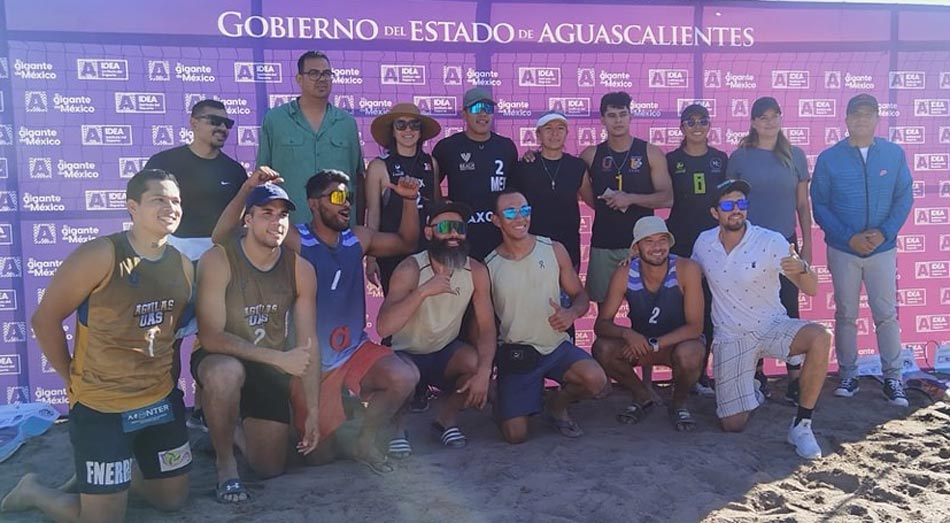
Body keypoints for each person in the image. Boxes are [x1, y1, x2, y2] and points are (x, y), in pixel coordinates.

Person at [2, 170, 193, 521]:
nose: (171, 207)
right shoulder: (101, 254)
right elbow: (44, 320)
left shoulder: (182, 265)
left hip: (159, 400)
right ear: (132, 207)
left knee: (172, 501)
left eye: (176, 201)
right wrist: (70, 379)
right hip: (102, 406)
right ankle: (33, 490)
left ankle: (109, 478)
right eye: (159, 200)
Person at [194, 182, 319, 503]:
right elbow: (210, 336)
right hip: (219, 355)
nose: (276, 222)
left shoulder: (300, 268)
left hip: (269, 366)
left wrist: (313, 410)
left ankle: (223, 428)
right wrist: (278, 359)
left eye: (282, 216)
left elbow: (309, 343)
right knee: (225, 374)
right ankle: (226, 466)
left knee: (269, 467)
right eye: (266, 214)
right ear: (247, 220)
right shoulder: (219, 259)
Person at [692, 180, 830, 459]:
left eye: (741, 204)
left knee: (821, 336)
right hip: (731, 337)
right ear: (714, 212)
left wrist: (803, 269)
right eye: (728, 205)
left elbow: (812, 289)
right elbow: (687, 274)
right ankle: (752, 388)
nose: (736, 211)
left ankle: (802, 425)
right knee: (732, 425)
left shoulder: (771, 240)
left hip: (772, 327)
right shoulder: (704, 242)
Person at [146, 98, 249, 431]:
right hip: (172, 259)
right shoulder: (164, 163)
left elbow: (239, 225)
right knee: (169, 340)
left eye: (227, 123)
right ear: (193, 122)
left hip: (218, 261)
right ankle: (168, 409)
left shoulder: (235, 171)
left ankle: (207, 413)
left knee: (215, 339)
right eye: (213, 120)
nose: (221, 127)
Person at [811, 93, 914, 407]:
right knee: (846, 315)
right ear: (846, 119)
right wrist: (849, 237)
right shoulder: (829, 158)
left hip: (882, 250)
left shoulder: (894, 154)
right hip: (844, 250)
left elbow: (904, 198)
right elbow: (820, 205)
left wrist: (883, 233)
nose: (861, 120)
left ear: (877, 119)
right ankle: (848, 374)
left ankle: (893, 378)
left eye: (868, 115)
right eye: (856, 114)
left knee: (886, 315)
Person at [486, 189, 608, 443]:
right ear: (496, 220)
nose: (520, 218)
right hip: (517, 353)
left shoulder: (554, 249)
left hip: (556, 348)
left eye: (525, 210)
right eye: (510, 212)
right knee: (515, 436)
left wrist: (572, 313)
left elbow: (581, 296)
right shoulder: (488, 266)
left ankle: (556, 405)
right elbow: (484, 326)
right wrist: (486, 370)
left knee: (595, 380)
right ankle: (506, 397)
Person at [376, 201, 496, 456]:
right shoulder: (410, 268)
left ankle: (445, 422)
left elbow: (486, 328)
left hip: (444, 352)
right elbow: (383, 326)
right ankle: (396, 430)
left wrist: (485, 372)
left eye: (459, 227)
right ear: (429, 232)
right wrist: (422, 292)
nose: (454, 234)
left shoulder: (475, 270)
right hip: (405, 353)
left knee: (475, 363)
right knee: (400, 376)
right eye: (445, 227)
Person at [727, 96, 812, 403]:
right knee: (752, 311)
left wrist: (808, 249)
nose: (769, 122)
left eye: (774, 116)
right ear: (752, 122)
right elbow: (731, 206)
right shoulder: (739, 157)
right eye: (762, 117)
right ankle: (756, 375)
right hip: (749, 247)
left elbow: (803, 206)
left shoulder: (796, 156)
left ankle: (794, 378)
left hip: (786, 246)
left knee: (790, 310)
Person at [591, 216, 706, 431]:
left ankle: (678, 403)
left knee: (690, 354)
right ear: (636, 248)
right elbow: (601, 324)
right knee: (602, 348)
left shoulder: (686, 268)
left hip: (675, 344)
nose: (657, 247)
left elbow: (695, 327)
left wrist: (654, 342)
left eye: (662, 240)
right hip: (642, 345)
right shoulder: (624, 273)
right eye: (649, 241)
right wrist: (627, 334)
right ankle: (642, 396)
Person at [581, 92, 673, 305]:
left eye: (623, 114)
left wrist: (630, 199)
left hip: (643, 246)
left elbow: (667, 198)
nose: (618, 120)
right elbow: (587, 196)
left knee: (647, 309)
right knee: (605, 312)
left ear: (631, 117)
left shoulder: (650, 152)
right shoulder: (590, 154)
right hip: (604, 243)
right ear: (602, 119)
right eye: (612, 115)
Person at [665, 103, 728, 397]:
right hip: (680, 242)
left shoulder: (720, 159)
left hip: (714, 243)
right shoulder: (671, 159)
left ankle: (702, 374)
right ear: (681, 127)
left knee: (712, 308)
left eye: (702, 120)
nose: (697, 126)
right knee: (683, 308)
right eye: (690, 121)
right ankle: (683, 371)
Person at [257, 50, 364, 224]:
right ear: (299, 79)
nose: (322, 79)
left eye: (327, 73)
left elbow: (358, 180)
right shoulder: (275, 119)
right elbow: (263, 178)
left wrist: (357, 227)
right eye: (313, 73)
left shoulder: (347, 123)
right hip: (290, 227)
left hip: (338, 231)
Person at [432, 87, 518, 261]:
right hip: (461, 241)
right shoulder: (447, 147)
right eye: (475, 109)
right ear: (464, 114)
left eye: (488, 109)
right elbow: (431, 190)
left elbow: (515, 193)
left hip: (500, 241)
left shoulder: (506, 146)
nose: (483, 115)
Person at [364, 103, 442, 294]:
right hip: (392, 252)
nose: (408, 130)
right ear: (392, 130)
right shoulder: (379, 166)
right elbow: (373, 214)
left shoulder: (430, 163)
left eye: (414, 125)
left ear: (421, 131)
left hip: (426, 252)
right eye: (401, 125)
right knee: (399, 311)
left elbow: (437, 209)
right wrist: (371, 258)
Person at [510, 111, 594, 271]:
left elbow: (593, 202)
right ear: (538, 134)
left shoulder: (577, 166)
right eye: (548, 129)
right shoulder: (523, 167)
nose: (555, 134)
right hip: (531, 250)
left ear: (567, 133)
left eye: (560, 128)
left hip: (568, 249)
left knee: (569, 295)